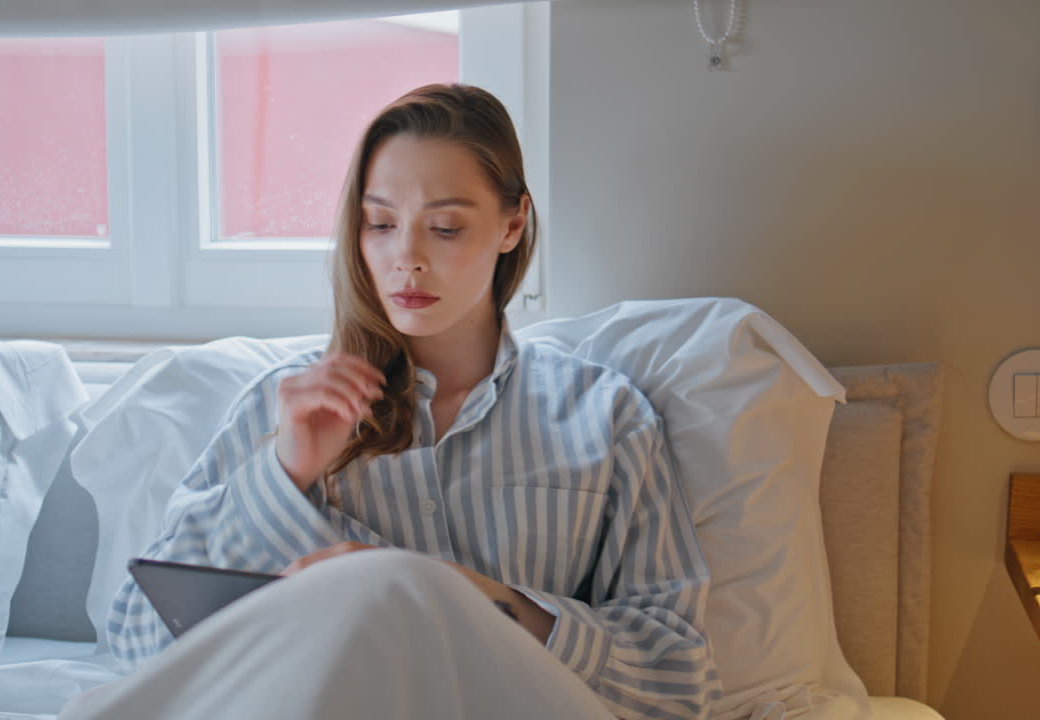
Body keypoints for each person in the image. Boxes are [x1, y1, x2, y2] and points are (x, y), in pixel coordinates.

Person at [59, 83, 720, 720]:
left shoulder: (607, 419)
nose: (406, 258)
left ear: (512, 223)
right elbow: (140, 642)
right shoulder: (285, 408)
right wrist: (283, 477)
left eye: (445, 228)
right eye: (380, 223)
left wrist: (468, 596)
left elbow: (677, 684)